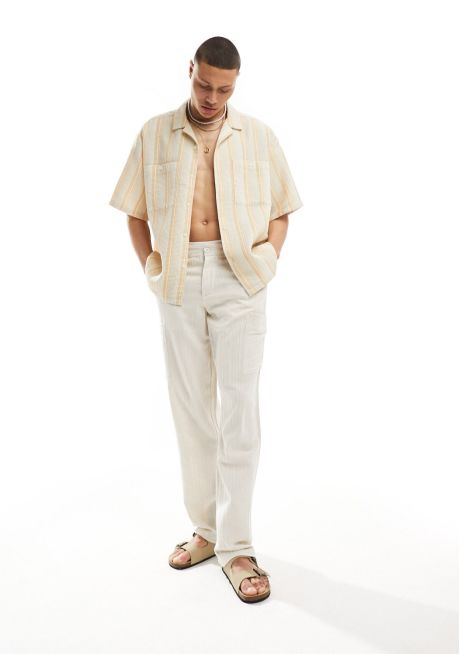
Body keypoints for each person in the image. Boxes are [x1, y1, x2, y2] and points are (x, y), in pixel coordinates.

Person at [108, 36, 303, 603]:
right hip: (178, 276)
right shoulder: (154, 133)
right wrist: (152, 267)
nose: (212, 97)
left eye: (224, 89)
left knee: (239, 410)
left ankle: (237, 547)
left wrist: (266, 261)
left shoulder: (258, 135)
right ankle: (207, 530)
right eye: (204, 84)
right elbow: (134, 211)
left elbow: (282, 208)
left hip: (240, 272)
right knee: (191, 408)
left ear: (235, 85)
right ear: (189, 70)